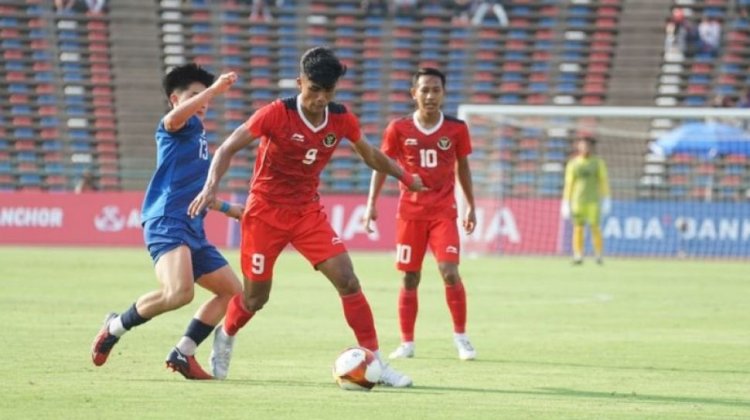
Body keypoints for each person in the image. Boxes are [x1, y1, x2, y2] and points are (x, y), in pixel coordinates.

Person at [188, 47, 424, 387]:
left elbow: (371, 154)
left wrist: (405, 177)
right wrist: (211, 187)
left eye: (328, 92)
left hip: (307, 213)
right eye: (314, 89)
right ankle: (225, 334)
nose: (320, 99)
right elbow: (226, 148)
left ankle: (377, 362)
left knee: (348, 280)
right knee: (255, 298)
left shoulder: (341, 118)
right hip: (265, 213)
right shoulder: (275, 113)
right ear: (300, 83)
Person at [90, 64, 243, 380]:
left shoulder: (198, 135)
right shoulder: (173, 125)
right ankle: (114, 327)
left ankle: (184, 352)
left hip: (193, 227)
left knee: (232, 291)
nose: (202, 101)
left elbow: (201, 194)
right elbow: (171, 119)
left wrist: (229, 209)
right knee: (178, 293)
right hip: (167, 220)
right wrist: (214, 89)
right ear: (175, 99)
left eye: (204, 96)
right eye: (194, 95)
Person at [363, 67, 477, 361]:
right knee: (410, 278)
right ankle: (407, 343)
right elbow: (383, 164)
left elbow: (462, 168)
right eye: (424, 90)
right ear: (414, 94)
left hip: (443, 213)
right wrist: (371, 202)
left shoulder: (457, 129)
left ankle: (461, 338)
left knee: (449, 272)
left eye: (435, 90)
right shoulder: (398, 128)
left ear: (443, 93)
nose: (430, 95)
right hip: (410, 214)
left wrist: (470, 205)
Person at [560, 136, 611, 265]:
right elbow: (569, 183)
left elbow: (603, 181)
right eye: (582, 145)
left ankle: (599, 254)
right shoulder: (573, 163)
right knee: (578, 228)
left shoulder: (598, 163)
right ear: (578, 147)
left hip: (593, 200)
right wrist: (566, 201)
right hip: (578, 201)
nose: (584, 148)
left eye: (587, 145)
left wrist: (606, 198)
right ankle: (578, 255)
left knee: (595, 227)